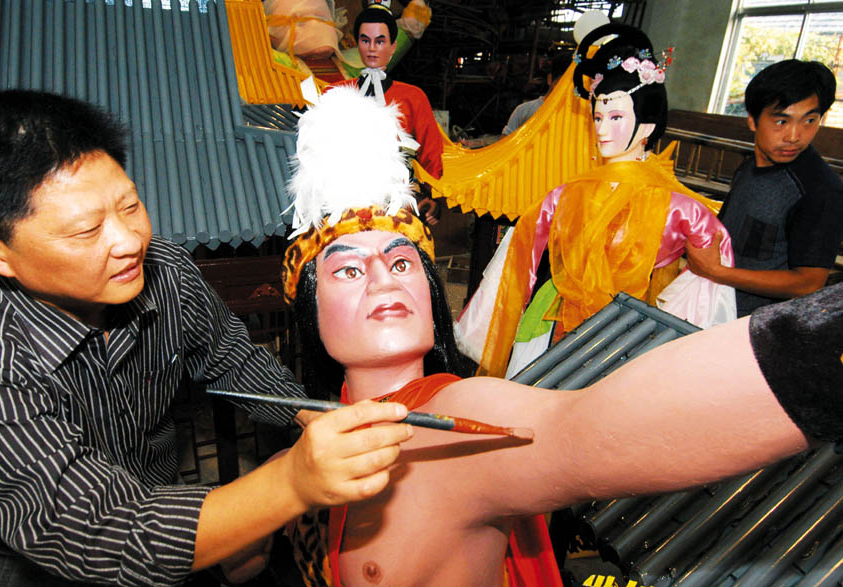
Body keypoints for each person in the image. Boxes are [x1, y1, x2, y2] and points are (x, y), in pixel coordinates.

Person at [223, 85, 840, 587]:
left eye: (403, 260)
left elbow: (586, 431)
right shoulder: (298, 455)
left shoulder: (460, 421)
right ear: (309, 309)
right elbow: (239, 556)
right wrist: (273, 505)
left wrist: (821, 343)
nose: (385, 278)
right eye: (349, 269)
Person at [0, 89, 413, 586]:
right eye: (86, 232)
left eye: (130, 206)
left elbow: (233, 359)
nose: (130, 241)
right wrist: (289, 484)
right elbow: (96, 531)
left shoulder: (165, 273)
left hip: (158, 492)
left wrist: (309, 414)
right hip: (35, 556)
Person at [455, 23, 737, 378]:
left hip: (633, 337)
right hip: (556, 322)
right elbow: (517, 261)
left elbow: (709, 283)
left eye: (617, 117)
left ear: (648, 126)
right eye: (598, 117)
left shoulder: (683, 209)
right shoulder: (566, 194)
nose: (602, 129)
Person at [685, 59, 843, 317]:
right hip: (716, 310)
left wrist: (717, 273)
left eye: (809, 120)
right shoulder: (747, 170)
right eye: (781, 121)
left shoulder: (819, 190)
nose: (794, 135)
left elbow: (808, 282)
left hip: (759, 331)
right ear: (753, 120)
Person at [329, 2, 443, 224]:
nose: (372, 48)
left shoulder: (413, 97)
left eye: (380, 41)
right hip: (343, 208)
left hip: (400, 209)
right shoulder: (333, 93)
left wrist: (434, 198)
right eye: (365, 40)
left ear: (393, 47)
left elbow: (432, 157)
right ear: (356, 44)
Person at [501, 51, 574, 136]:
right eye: (565, 83)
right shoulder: (524, 111)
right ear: (550, 79)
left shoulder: (580, 119)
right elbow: (505, 143)